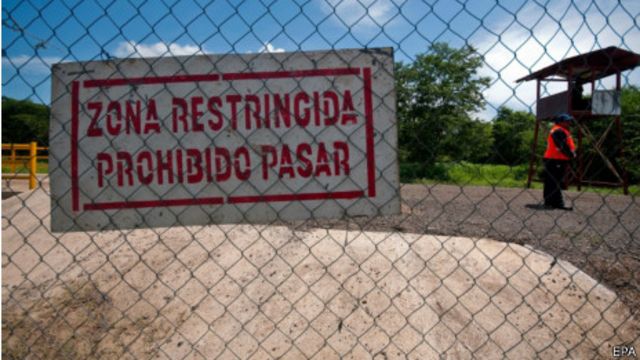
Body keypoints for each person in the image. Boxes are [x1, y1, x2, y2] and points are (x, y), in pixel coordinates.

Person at [543, 113, 576, 210]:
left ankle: (549, 201)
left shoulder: (556, 129)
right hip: (557, 159)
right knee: (556, 182)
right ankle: (559, 203)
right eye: (567, 121)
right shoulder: (558, 130)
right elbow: (562, 146)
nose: (569, 122)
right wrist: (571, 155)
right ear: (561, 122)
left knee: (550, 181)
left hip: (552, 158)